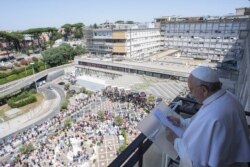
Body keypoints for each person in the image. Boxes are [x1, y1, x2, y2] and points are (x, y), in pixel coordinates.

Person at [166, 66, 250, 167]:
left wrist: (174, 140)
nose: (190, 94)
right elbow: (199, 122)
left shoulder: (213, 115)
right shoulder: (227, 97)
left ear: (204, 90)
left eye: (191, 90)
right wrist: (182, 122)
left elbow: (194, 161)